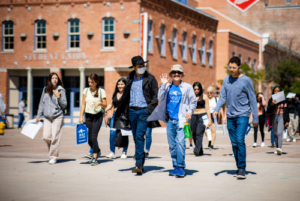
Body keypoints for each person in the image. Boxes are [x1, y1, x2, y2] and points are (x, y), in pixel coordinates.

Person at [212, 56, 258, 179]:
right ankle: (239, 167)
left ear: (239, 67)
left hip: (243, 114)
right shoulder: (226, 80)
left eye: (233, 67)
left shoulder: (246, 80)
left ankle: (242, 168)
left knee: (239, 140)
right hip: (230, 116)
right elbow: (222, 97)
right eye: (229, 67)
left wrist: (255, 118)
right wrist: (216, 110)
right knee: (234, 143)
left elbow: (252, 99)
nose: (231, 69)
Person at [148, 64, 197, 178]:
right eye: (174, 72)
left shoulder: (188, 87)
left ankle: (181, 167)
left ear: (181, 74)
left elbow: (193, 102)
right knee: (172, 145)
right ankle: (175, 166)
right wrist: (163, 86)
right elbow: (159, 98)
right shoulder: (167, 86)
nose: (176, 74)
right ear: (171, 74)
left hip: (182, 120)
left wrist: (190, 111)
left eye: (178, 72)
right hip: (169, 120)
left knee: (180, 143)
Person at [114, 56, 160, 175]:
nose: (142, 68)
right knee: (135, 137)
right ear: (134, 67)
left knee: (139, 136)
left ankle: (138, 163)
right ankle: (141, 160)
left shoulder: (150, 78)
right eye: (139, 66)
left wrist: (148, 110)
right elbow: (125, 96)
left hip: (144, 111)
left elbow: (156, 97)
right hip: (132, 112)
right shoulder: (129, 78)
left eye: (143, 66)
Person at [36, 73, 67, 165]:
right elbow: (42, 103)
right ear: (49, 80)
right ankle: (53, 151)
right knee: (46, 136)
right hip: (47, 118)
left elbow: (64, 105)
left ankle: (53, 157)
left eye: (56, 78)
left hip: (57, 117)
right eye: (53, 78)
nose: (54, 80)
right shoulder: (45, 89)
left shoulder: (61, 90)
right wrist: (38, 115)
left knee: (55, 137)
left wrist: (58, 97)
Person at [79, 73, 107, 166]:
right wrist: (80, 116)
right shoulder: (86, 90)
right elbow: (83, 104)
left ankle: (94, 158)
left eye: (92, 82)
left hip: (97, 116)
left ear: (96, 82)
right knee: (89, 139)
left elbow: (105, 104)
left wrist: (99, 102)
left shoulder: (101, 91)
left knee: (94, 137)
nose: (90, 83)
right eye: (89, 82)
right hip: (88, 116)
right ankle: (97, 150)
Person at [105, 78, 128, 159]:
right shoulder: (115, 94)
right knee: (112, 134)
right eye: (119, 84)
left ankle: (124, 152)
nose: (120, 86)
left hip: (124, 116)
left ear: (125, 85)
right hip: (115, 116)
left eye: (122, 84)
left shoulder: (127, 94)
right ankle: (112, 152)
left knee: (124, 134)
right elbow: (111, 104)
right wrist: (105, 110)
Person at [266, 86, 289, 155]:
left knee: (279, 133)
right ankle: (277, 148)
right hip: (274, 117)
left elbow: (286, 111)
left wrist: (287, 121)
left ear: (280, 92)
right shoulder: (271, 100)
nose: (276, 92)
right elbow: (268, 110)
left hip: (281, 117)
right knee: (275, 133)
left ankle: (279, 148)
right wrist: (272, 104)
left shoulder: (284, 100)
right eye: (275, 91)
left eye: (278, 91)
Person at [190, 82, 211, 156]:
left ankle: (196, 149)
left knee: (199, 133)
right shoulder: (191, 97)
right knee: (194, 134)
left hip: (202, 116)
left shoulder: (204, 96)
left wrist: (210, 120)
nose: (196, 90)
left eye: (198, 89)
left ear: (200, 89)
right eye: (195, 89)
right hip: (193, 116)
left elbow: (208, 109)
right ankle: (200, 150)